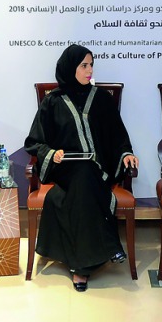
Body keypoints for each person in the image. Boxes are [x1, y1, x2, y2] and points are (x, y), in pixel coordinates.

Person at [24, 44, 138, 292]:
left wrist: (126, 153)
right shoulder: (52, 101)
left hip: (97, 168)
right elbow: (34, 143)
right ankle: (111, 246)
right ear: (70, 67)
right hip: (65, 168)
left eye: (91, 65)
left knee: (86, 176)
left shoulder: (101, 99)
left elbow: (118, 135)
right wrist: (52, 154)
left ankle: (80, 268)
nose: (89, 70)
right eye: (84, 65)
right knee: (81, 175)